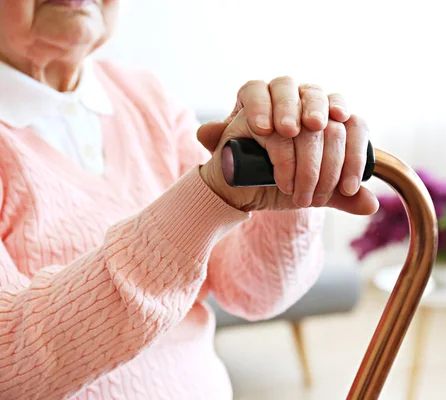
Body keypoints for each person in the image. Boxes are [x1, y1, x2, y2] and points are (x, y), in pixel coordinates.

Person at [0, 1, 378, 399]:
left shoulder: (145, 95)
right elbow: (10, 364)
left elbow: (253, 290)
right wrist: (208, 196)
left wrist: (290, 181)